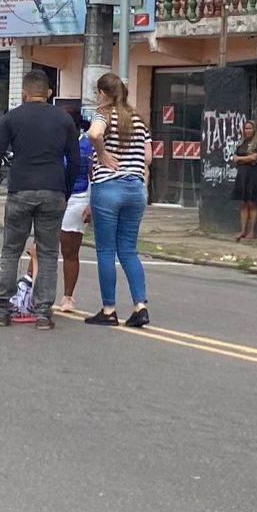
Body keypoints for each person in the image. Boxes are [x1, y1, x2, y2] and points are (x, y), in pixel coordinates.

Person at [0, 69, 79, 330]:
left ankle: (2, 309)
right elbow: (75, 162)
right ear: (48, 92)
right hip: (53, 190)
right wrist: (65, 192)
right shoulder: (64, 120)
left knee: (11, 250)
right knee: (48, 253)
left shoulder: (12, 118)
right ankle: (43, 313)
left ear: (24, 93)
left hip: (20, 190)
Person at [85, 72, 152, 328]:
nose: (96, 97)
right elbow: (148, 158)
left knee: (105, 250)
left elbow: (94, 134)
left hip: (108, 187)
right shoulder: (138, 120)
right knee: (128, 250)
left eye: (96, 93)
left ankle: (109, 309)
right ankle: (140, 306)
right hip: (135, 189)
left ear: (103, 93)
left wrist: (101, 153)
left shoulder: (103, 114)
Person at [58, 111, 92, 314]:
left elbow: (94, 174)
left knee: (69, 250)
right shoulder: (54, 140)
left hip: (79, 197)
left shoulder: (87, 145)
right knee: (40, 247)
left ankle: (68, 296)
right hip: (53, 196)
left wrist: (91, 204)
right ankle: (32, 291)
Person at [230, 118, 257, 242]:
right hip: (242, 175)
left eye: (250, 128)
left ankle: (252, 231)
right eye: (246, 128)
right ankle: (243, 230)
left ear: (254, 130)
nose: (248, 131)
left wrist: (240, 159)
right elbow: (234, 157)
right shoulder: (241, 143)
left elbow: (255, 157)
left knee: (253, 203)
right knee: (243, 203)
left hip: (254, 175)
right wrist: (240, 159)